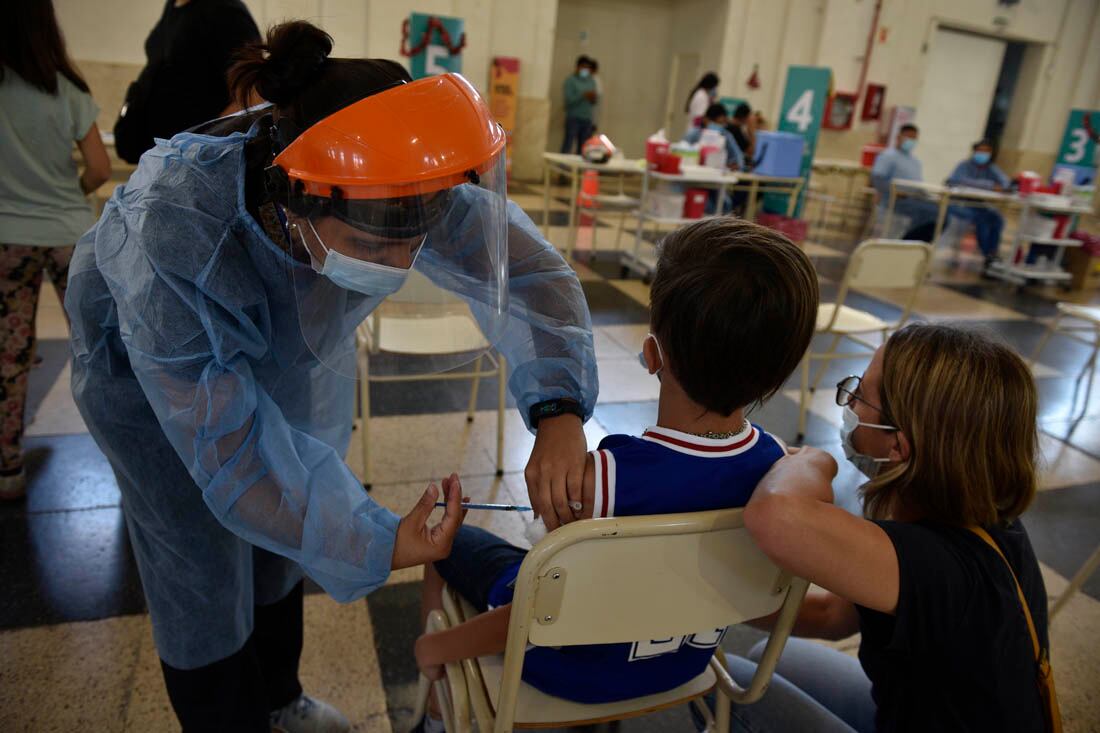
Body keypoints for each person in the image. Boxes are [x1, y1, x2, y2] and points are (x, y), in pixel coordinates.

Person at [66, 21, 597, 732]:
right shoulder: (179, 225)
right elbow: (231, 452)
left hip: (280, 354)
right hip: (152, 376)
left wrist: (558, 409)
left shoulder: (397, 179)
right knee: (199, 563)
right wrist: (382, 540)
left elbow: (533, 275)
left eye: (416, 236)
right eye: (378, 245)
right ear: (300, 198)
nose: (403, 259)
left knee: (284, 531)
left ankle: (280, 698)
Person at [411, 218, 819, 731]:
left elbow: (538, 615)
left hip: (561, 674)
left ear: (651, 355)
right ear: (778, 373)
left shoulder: (604, 479)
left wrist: (436, 646)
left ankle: (432, 714)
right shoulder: (780, 470)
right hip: (684, 667)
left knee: (449, 548)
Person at [717, 323, 1053, 731]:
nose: (850, 405)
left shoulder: (934, 563)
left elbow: (775, 513)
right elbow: (831, 615)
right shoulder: (982, 514)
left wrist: (809, 460)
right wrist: (710, 603)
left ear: (898, 446)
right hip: (920, 714)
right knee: (767, 657)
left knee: (720, 685)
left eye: (860, 396)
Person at [0, 0, 111, 499]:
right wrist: (71, 193)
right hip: (70, 234)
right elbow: (100, 169)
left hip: (7, 237)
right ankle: (126, 458)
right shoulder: (68, 90)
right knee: (102, 350)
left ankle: (8, 469)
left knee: (9, 354)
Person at [113, 0, 260, 163]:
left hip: (194, 164)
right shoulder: (174, 7)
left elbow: (253, 96)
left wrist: (198, 147)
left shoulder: (225, 11)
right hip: (163, 159)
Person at [946, 139, 1012, 273]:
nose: (983, 154)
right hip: (959, 203)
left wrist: (1002, 186)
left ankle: (992, 253)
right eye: (980, 151)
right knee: (982, 219)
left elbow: (1005, 182)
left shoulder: (991, 168)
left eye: (986, 151)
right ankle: (988, 255)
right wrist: (990, 186)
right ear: (974, 151)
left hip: (978, 204)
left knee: (996, 219)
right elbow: (958, 181)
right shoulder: (964, 166)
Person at [870, 124, 939, 242]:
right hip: (895, 201)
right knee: (932, 214)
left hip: (914, 199)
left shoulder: (915, 161)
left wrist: (931, 197)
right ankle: (908, 242)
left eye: (914, 138)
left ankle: (913, 244)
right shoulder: (888, 156)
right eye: (908, 137)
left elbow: (918, 184)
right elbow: (877, 178)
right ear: (898, 137)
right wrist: (895, 191)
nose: (911, 141)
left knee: (940, 212)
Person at [684, 103, 746, 170]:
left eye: (720, 124)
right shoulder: (695, 134)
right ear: (705, 119)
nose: (715, 128)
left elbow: (738, 161)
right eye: (715, 123)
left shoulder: (726, 135)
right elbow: (739, 161)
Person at [561, 55, 598, 154]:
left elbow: (594, 101)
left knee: (584, 148)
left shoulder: (591, 81)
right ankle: (562, 168)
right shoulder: (570, 81)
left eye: (587, 68)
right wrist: (582, 95)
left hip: (587, 119)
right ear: (577, 67)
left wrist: (593, 97)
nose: (585, 70)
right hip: (573, 118)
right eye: (583, 67)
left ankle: (581, 169)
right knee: (568, 144)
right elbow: (569, 101)